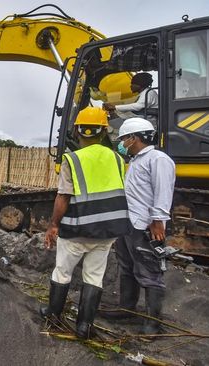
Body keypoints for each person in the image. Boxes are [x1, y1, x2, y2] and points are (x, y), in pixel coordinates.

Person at [40, 106, 131, 339]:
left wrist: (53, 225)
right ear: (103, 132)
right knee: (94, 276)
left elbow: (63, 196)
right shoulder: (118, 159)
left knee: (62, 272)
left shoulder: (72, 159)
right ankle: (84, 326)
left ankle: (53, 315)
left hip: (78, 230)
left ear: (78, 131)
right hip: (107, 230)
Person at [102, 117, 175, 335]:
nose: (122, 142)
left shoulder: (158, 159)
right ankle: (127, 308)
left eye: (124, 138)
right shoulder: (135, 160)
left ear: (134, 138)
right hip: (129, 224)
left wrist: (158, 221)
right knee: (127, 267)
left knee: (150, 271)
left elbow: (163, 192)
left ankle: (153, 322)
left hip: (146, 226)